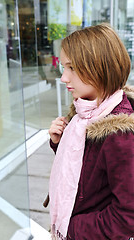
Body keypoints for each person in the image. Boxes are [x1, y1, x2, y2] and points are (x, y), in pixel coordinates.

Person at [48, 24, 134, 240]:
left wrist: (72, 227)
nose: (64, 78)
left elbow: (128, 217)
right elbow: (90, 176)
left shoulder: (120, 135)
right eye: (64, 68)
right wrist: (60, 144)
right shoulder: (84, 115)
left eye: (72, 68)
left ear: (99, 67)